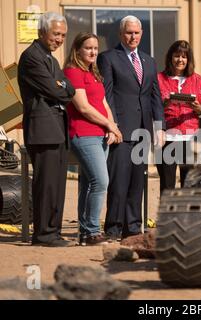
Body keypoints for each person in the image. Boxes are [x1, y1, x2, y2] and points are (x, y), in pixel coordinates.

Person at [97, 15, 165, 241]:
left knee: (138, 182)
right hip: (121, 130)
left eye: (136, 32)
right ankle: (114, 229)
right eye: (129, 32)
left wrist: (159, 126)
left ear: (141, 33)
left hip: (143, 130)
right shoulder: (108, 58)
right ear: (120, 34)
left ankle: (133, 229)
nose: (133, 36)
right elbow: (107, 94)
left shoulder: (149, 61)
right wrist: (112, 125)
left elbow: (155, 96)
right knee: (119, 182)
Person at [18, 12, 75, 247]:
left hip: (57, 130)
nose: (60, 39)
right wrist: (60, 86)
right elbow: (57, 91)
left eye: (63, 35)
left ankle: (53, 231)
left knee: (58, 186)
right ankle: (43, 235)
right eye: (56, 34)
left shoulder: (50, 59)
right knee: (46, 185)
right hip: (43, 131)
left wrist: (61, 86)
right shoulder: (32, 57)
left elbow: (67, 88)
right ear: (42, 32)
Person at [64, 32, 123, 246]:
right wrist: (108, 124)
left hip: (100, 135)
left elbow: (104, 104)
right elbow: (83, 107)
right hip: (83, 133)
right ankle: (91, 231)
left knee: (89, 184)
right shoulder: (72, 72)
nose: (93, 52)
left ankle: (85, 232)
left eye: (95, 48)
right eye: (88, 48)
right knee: (101, 181)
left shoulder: (94, 73)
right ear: (77, 49)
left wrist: (112, 126)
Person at [156, 40, 201, 193]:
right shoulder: (159, 78)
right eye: (177, 56)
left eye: (184, 57)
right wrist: (166, 103)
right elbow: (154, 107)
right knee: (167, 185)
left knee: (189, 185)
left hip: (189, 138)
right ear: (170, 58)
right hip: (166, 137)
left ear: (188, 59)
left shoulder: (196, 79)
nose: (180, 60)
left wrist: (197, 107)